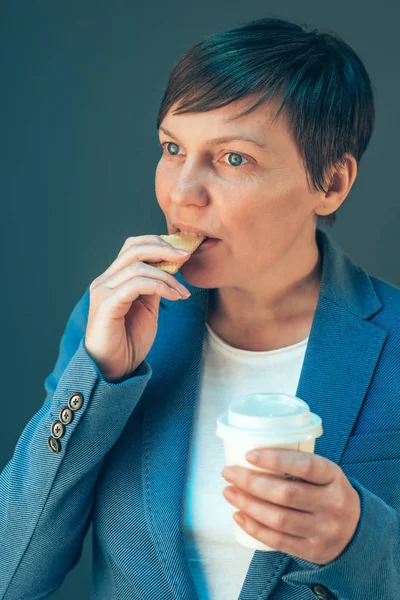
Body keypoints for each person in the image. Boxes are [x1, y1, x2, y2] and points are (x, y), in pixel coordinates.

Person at [1, 15, 399, 600]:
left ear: (332, 183)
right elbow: (14, 574)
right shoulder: (112, 324)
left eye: (234, 158)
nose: (182, 192)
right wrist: (98, 378)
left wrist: (362, 540)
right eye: (172, 148)